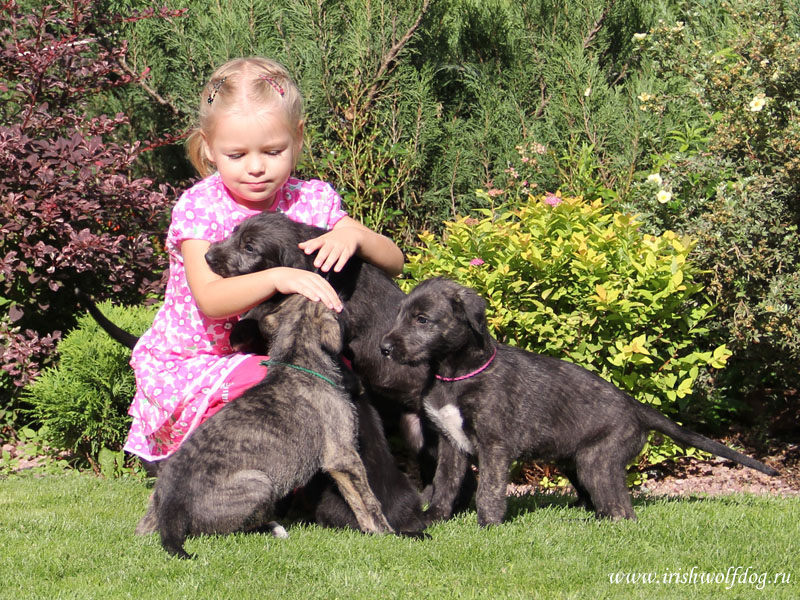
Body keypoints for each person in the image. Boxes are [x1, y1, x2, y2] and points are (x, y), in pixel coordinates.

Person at [124, 57, 404, 467]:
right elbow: (212, 300)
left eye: (273, 151)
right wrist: (280, 276)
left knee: (322, 379)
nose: (256, 167)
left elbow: (394, 261)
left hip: (283, 352)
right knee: (287, 386)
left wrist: (354, 235)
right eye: (236, 154)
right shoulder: (201, 207)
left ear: (298, 139)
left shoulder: (310, 199)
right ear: (208, 147)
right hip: (202, 361)